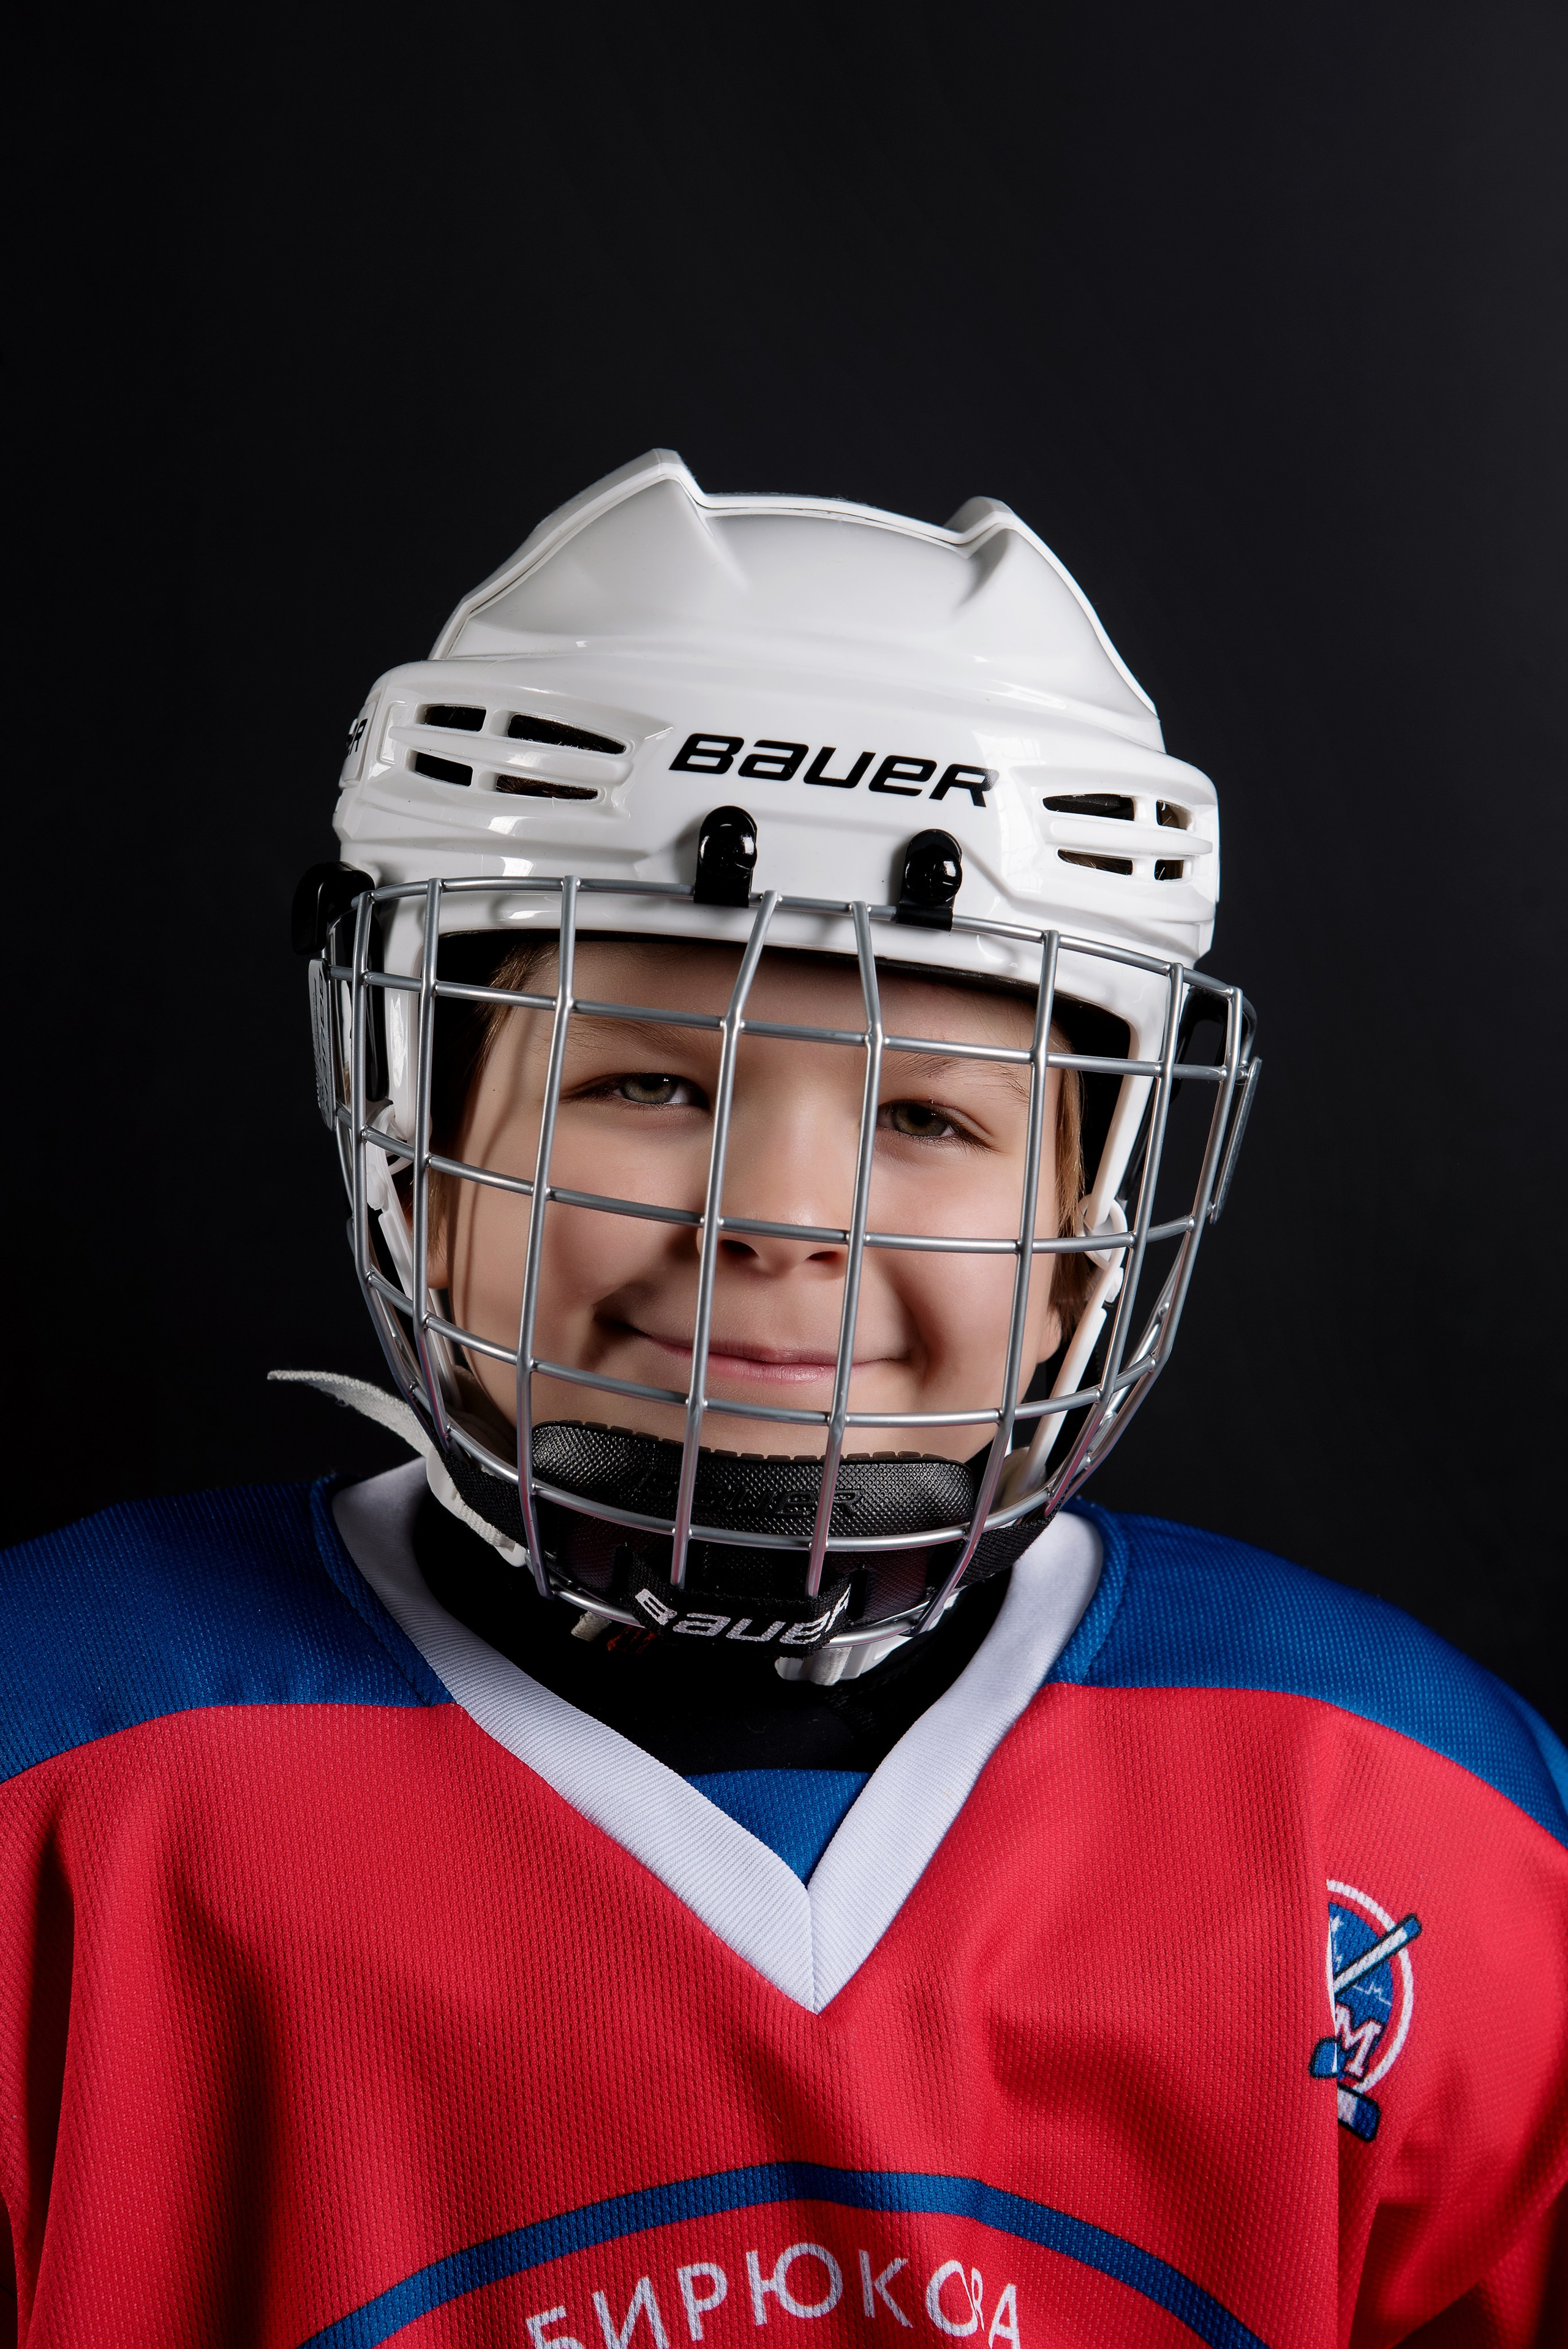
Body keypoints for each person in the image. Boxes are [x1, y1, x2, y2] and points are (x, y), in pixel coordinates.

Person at [1, 452, 1563, 2348]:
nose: (782, 1219)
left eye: (926, 1119)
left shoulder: (1411, 1813)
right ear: (414, 1140)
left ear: (1089, 1226)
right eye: (648, 1082)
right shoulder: (62, 1767)